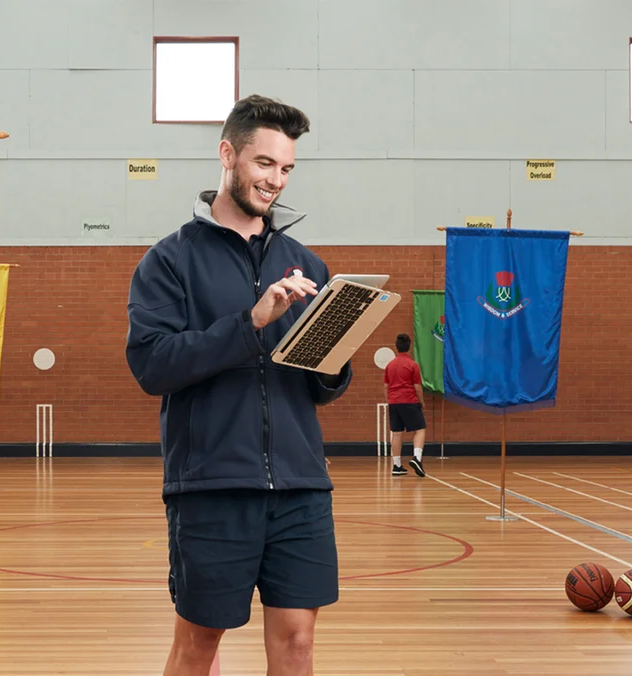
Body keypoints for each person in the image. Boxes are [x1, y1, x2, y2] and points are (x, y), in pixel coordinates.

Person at [125, 94, 352, 676]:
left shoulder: (308, 264)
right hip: (212, 487)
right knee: (199, 645)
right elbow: (153, 366)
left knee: (298, 641)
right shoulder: (169, 261)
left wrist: (335, 353)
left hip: (301, 486)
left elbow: (322, 389)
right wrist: (251, 322)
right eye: (264, 163)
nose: (276, 180)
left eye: (286, 168)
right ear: (228, 154)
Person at [384, 333, 427, 477]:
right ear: (409, 347)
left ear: (396, 347)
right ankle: (417, 458)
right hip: (409, 400)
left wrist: (390, 400)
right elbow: (417, 387)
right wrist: (421, 401)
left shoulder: (389, 366)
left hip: (393, 402)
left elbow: (386, 386)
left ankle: (396, 466)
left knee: (396, 433)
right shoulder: (412, 365)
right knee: (420, 430)